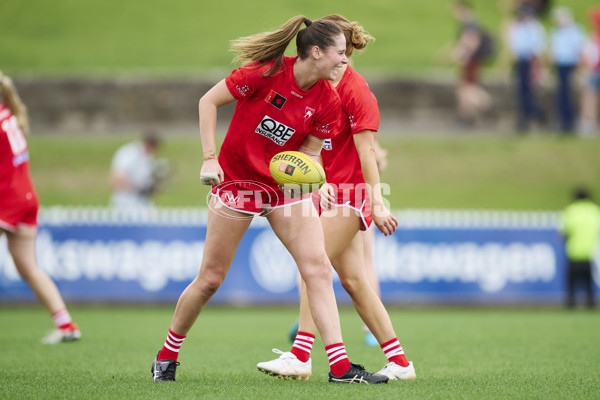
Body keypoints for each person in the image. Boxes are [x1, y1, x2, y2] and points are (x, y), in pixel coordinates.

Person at [150, 16, 388, 384]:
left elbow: (308, 153)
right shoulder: (265, 73)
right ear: (316, 52)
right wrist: (209, 156)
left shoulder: (326, 99)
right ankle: (167, 355)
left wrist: (313, 179)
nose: (345, 60)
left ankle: (340, 368)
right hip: (238, 184)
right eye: (340, 54)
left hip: (281, 190)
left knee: (318, 269)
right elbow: (208, 101)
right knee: (211, 279)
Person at [256, 15, 415, 382]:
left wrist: (376, 201)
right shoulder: (319, 88)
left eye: (342, 51)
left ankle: (300, 355)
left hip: (350, 196)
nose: (338, 58)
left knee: (312, 265)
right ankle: (400, 364)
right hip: (329, 194)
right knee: (356, 283)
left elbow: (367, 153)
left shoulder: (357, 91)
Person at [0, 71, 81, 344]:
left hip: (6, 198)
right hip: (26, 197)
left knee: (28, 266)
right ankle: (66, 324)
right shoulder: (9, 113)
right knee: (28, 267)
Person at [451, 1, 495, 127]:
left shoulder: (469, 24)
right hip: (472, 61)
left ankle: (486, 106)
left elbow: (471, 42)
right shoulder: (470, 23)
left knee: (468, 88)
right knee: (463, 89)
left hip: (471, 62)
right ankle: (467, 117)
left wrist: (463, 55)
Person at [506, 4, 547, 132]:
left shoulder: (535, 28)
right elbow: (514, 46)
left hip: (531, 62)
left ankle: (535, 114)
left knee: (529, 91)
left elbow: (538, 47)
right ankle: (524, 119)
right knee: (520, 91)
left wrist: (538, 66)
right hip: (521, 62)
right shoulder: (516, 27)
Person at [561, 187, 600, 309]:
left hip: (573, 254)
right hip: (589, 254)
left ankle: (571, 306)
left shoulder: (571, 211)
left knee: (571, 285)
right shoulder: (595, 211)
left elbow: (565, 233)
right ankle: (590, 306)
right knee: (589, 285)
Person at [549, 7, 586, 133]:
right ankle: (563, 121)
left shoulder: (576, 31)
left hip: (572, 65)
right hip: (560, 65)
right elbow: (555, 50)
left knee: (571, 94)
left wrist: (579, 67)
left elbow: (580, 49)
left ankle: (572, 121)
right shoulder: (557, 32)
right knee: (561, 94)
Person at [109, 131, 169, 208]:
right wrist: (139, 189)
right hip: (126, 201)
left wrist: (151, 189)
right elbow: (118, 177)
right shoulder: (129, 153)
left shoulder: (149, 158)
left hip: (142, 202)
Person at [579, 7, 600, 136]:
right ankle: (589, 122)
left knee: (590, 97)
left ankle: (590, 122)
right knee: (589, 96)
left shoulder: (594, 38)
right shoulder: (592, 37)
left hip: (595, 70)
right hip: (593, 71)